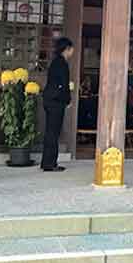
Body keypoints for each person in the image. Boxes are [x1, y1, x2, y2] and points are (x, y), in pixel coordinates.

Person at [41, 37, 75, 172]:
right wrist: (68, 100)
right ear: (66, 49)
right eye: (71, 49)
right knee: (53, 133)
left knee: (50, 132)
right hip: (56, 101)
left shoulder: (55, 62)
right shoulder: (62, 63)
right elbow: (63, 85)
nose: (72, 51)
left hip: (49, 99)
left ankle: (47, 162)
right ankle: (50, 164)